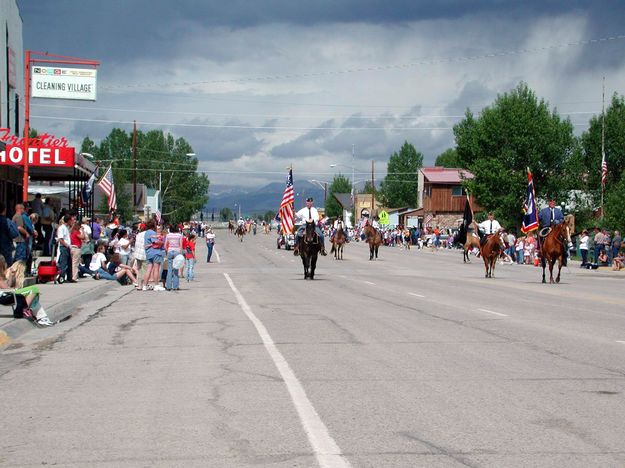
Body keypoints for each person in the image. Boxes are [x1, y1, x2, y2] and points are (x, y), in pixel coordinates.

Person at [0, 254, 54, 326]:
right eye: (5, 263)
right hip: (5, 296)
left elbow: (8, 286)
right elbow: (6, 289)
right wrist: (14, 289)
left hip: (7, 295)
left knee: (33, 293)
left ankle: (42, 318)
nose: (6, 264)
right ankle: (24, 310)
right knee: (34, 289)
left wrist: (11, 276)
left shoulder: (2, 275)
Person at [164, 224, 183, 291]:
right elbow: (181, 245)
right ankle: (175, 286)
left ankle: (168, 286)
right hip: (177, 252)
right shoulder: (179, 235)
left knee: (169, 270)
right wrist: (180, 254)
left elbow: (165, 245)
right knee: (176, 270)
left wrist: (167, 252)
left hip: (170, 251)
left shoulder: (168, 235)